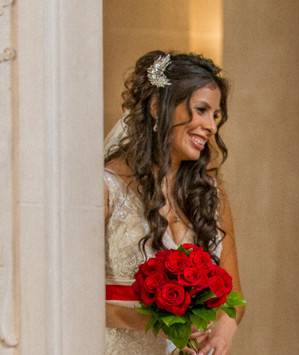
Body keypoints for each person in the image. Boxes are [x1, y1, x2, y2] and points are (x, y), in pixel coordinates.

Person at [103, 50, 244, 355]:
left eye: (215, 116)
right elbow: (70, 295)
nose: (211, 126)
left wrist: (223, 329)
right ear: (157, 107)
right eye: (201, 110)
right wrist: (157, 321)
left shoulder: (210, 193)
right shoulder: (106, 187)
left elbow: (234, 297)